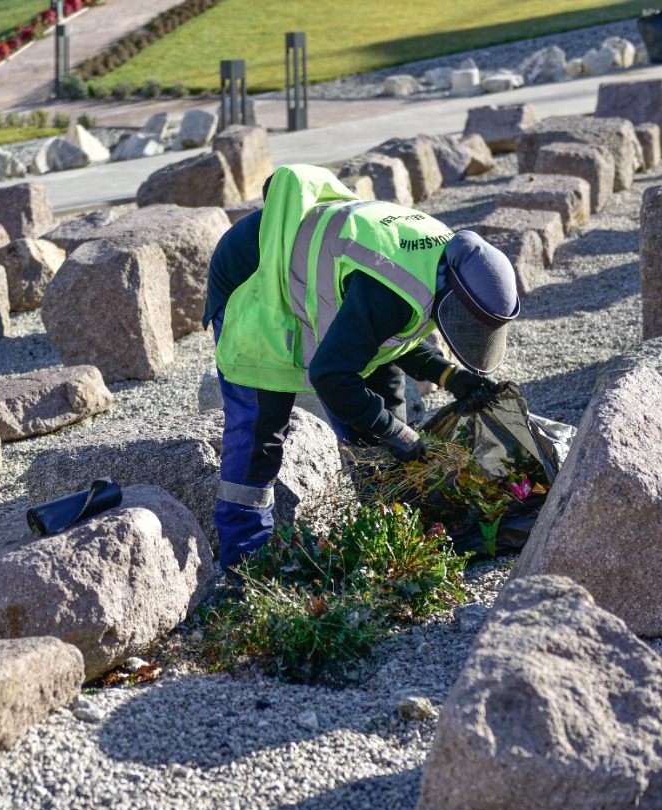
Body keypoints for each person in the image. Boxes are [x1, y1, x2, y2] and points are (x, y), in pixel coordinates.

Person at [206, 163, 522, 567]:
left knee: (380, 417)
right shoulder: (393, 287)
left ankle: (390, 533)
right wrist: (401, 436)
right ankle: (246, 565)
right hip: (255, 274)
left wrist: (451, 377)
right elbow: (331, 375)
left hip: (327, 273)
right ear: (452, 294)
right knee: (261, 436)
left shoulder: (444, 260)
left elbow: (386, 336)